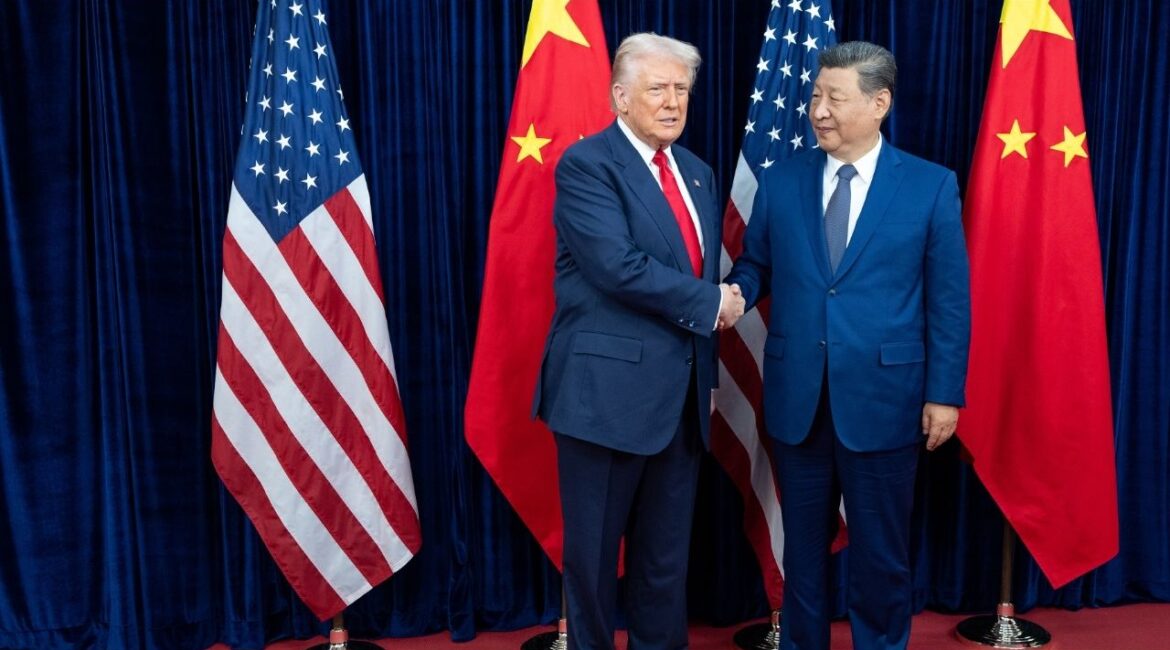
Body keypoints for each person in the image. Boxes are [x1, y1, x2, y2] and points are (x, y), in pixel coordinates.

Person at [724, 41, 970, 650]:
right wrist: (732, 294)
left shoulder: (930, 187)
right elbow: (757, 267)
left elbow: (948, 301)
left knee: (881, 558)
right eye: (814, 96)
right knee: (802, 558)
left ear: (879, 103)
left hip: (886, 401)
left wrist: (945, 393)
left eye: (835, 97)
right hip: (797, 402)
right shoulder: (780, 183)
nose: (819, 110)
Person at [531, 32, 744, 650]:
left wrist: (704, 380)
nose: (673, 102)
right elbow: (615, 266)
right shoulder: (587, 164)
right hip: (604, 399)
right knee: (594, 565)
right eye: (658, 89)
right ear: (621, 97)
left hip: (680, 404)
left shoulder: (699, 173)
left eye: (682, 89)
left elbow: (699, 266)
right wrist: (714, 304)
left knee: (664, 564)